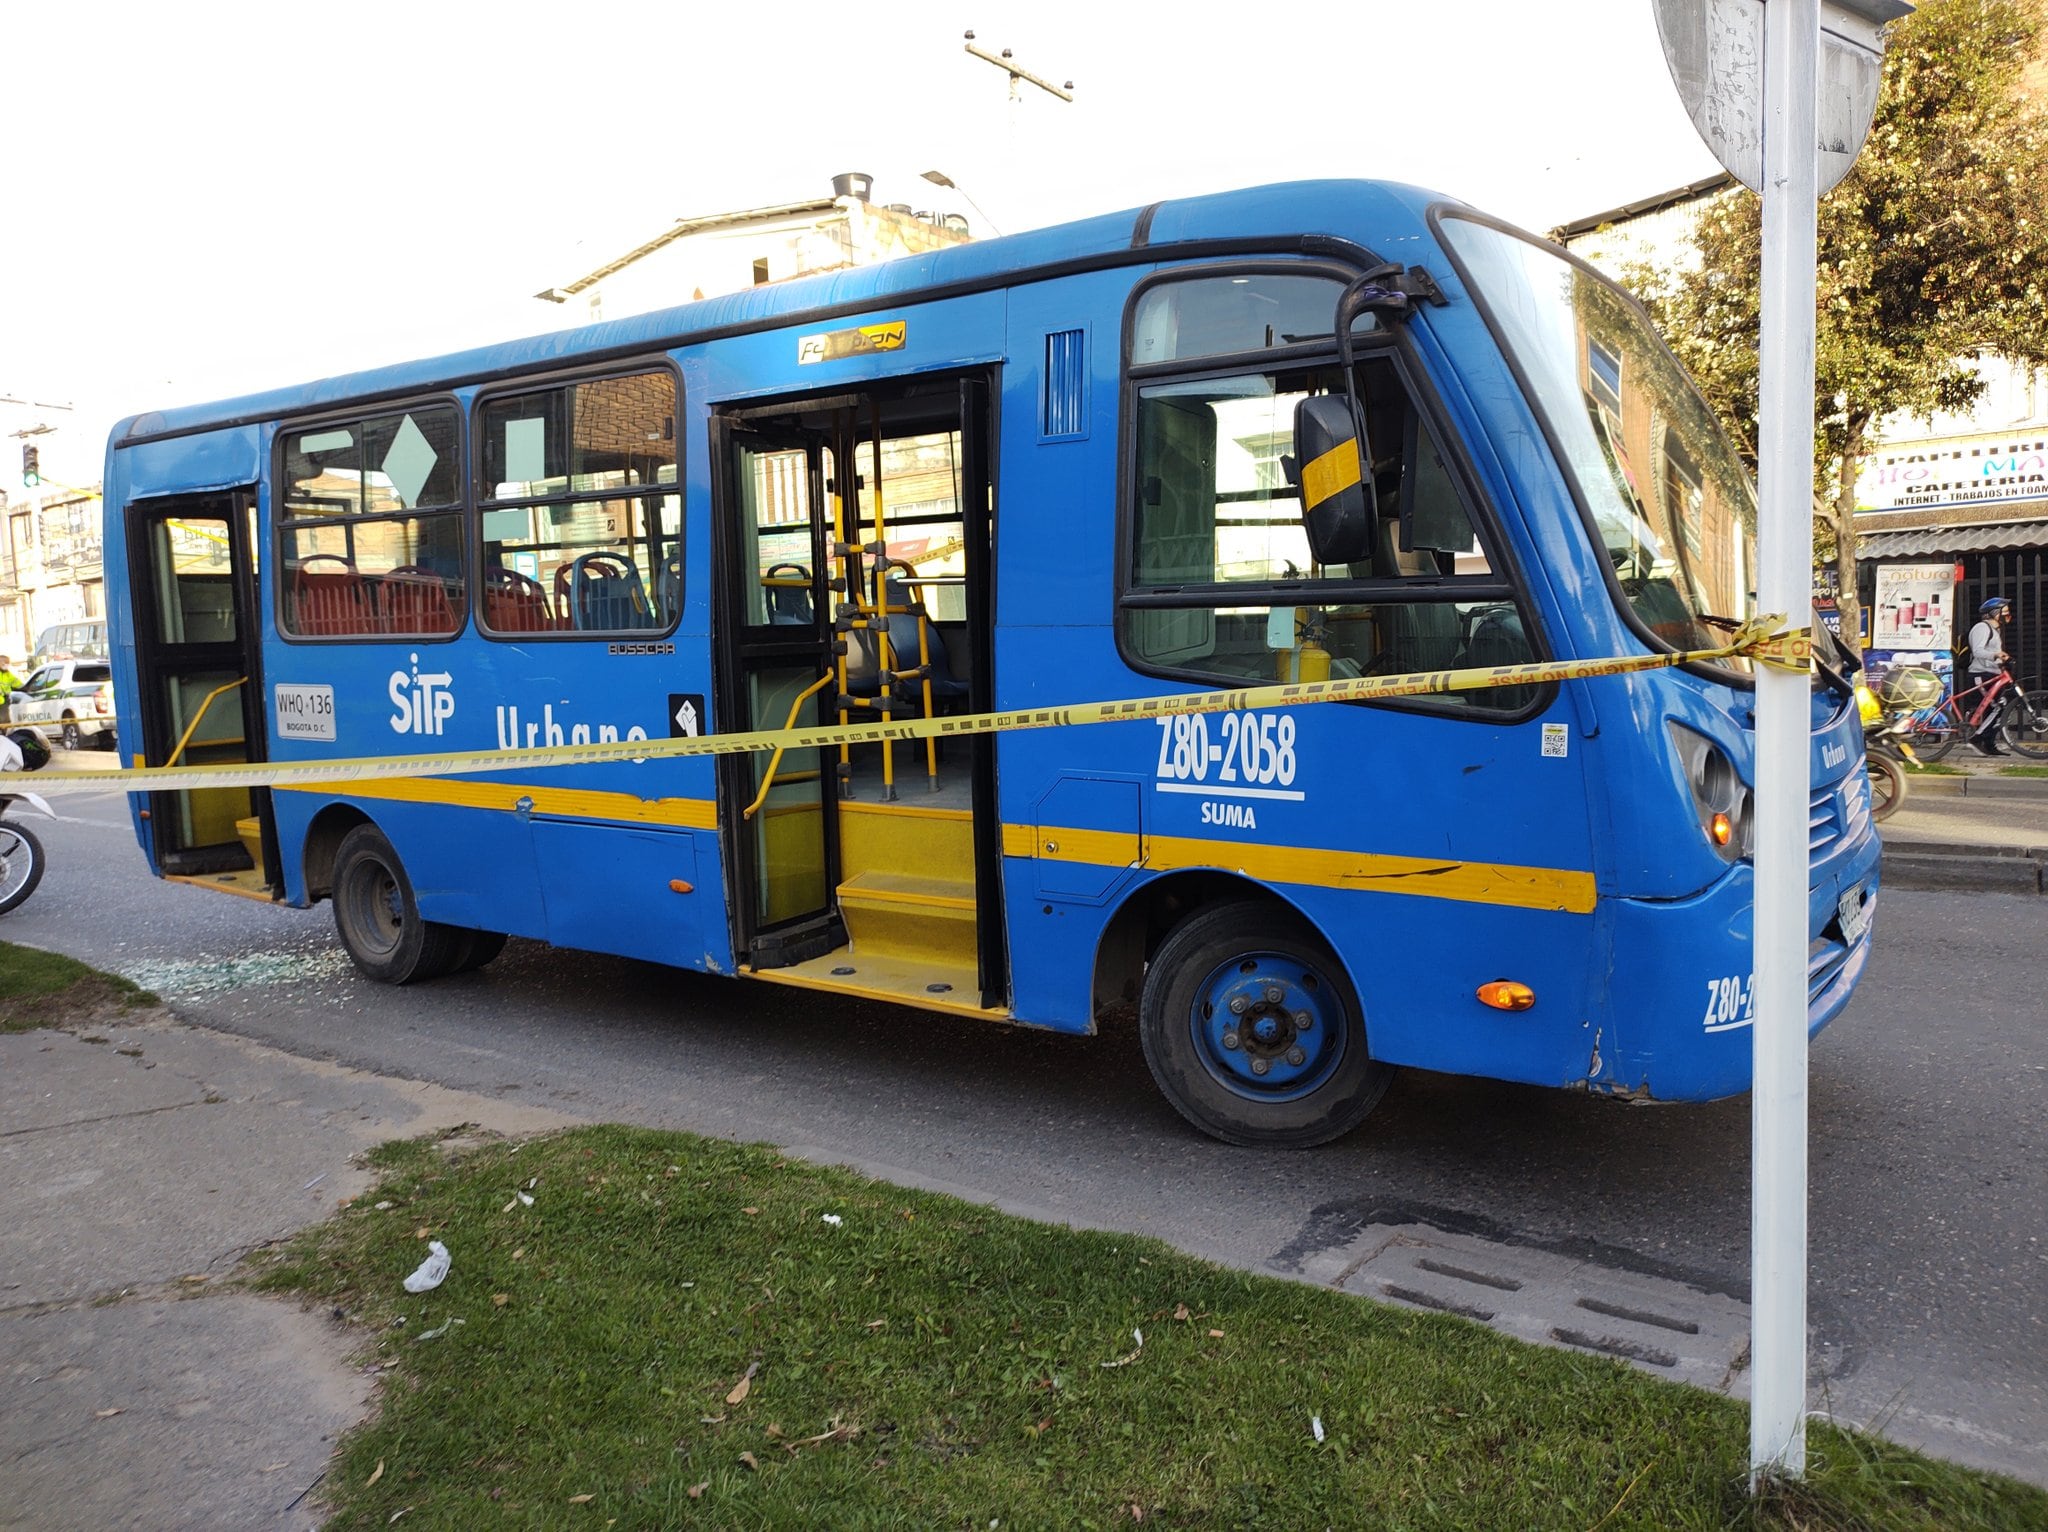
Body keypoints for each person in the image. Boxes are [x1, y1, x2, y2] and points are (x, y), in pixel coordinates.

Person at [1966, 597, 2013, 754]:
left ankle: (1988, 745)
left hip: (1991, 674)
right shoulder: (1981, 627)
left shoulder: (1995, 630)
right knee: (1997, 706)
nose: (2007, 614)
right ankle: (1976, 739)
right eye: (2004, 611)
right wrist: (1996, 655)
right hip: (1980, 675)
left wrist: (2001, 661)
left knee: (1998, 706)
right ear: (1994, 613)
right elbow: (1978, 651)